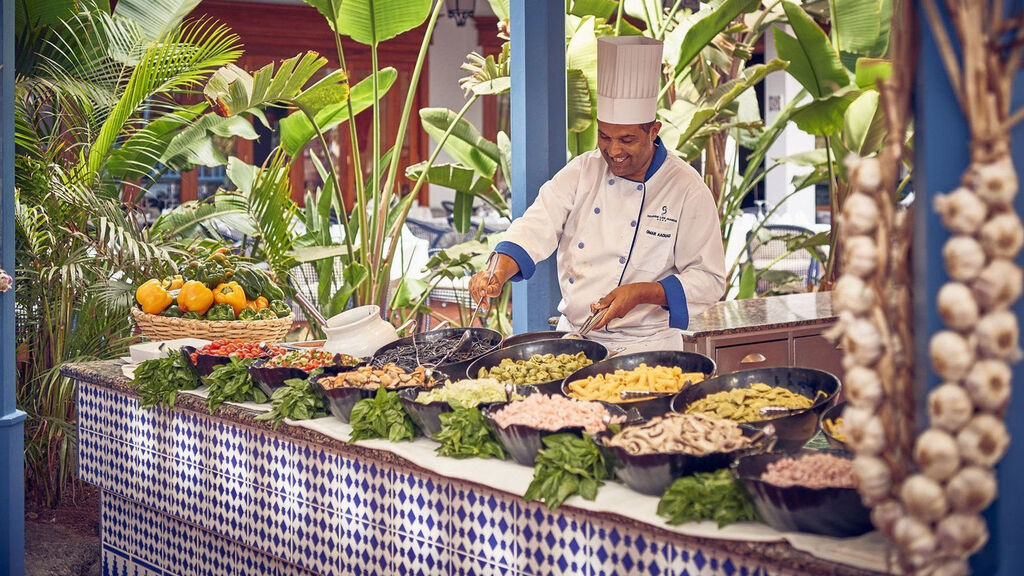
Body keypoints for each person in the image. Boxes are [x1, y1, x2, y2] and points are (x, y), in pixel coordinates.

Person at [469, 37, 725, 354]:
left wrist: (642, 292)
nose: (613, 150)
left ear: (653, 131)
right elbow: (535, 225)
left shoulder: (686, 188)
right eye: (604, 136)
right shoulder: (582, 172)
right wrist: (497, 271)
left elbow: (709, 280)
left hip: (647, 348)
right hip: (577, 341)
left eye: (627, 140)